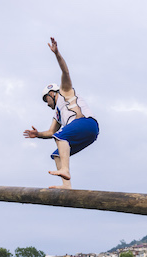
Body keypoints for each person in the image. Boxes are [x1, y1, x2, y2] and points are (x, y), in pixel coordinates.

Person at [24, 37, 99, 189]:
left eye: (47, 100)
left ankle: (65, 169)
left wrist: (57, 54)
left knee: (61, 135)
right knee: (56, 153)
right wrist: (37, 134)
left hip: (86, 123)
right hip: (88, 134)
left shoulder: (65, 91)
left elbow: (65, 71)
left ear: (52, 93)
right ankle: (67, 186)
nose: (47, 104)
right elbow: (51, 132)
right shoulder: (58, 113)